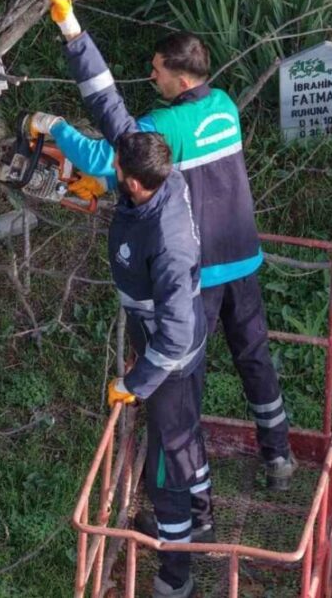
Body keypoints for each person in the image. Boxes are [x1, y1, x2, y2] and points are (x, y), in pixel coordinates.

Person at [29, 0, 295, 535]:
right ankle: (278, 454)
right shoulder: (224, 106)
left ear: (180, 76)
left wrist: (55, 125)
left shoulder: (162, 128)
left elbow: (107, 147)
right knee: (254, 357)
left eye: (156, 70)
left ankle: (192, 505)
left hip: (199, 273)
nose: (151, 77)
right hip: (243, 259)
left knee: (179, 393)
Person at [101, 131, 209, 598]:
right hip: (181, 353)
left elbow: (175, 335)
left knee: (167, 473)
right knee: (186, 439)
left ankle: (174, 577)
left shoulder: (167, 245)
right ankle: (201, 520)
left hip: (171, 365)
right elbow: (119, 125)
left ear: (134, 183)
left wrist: (135, 383)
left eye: (116, 171)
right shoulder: (167, 180)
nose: (112, 171)